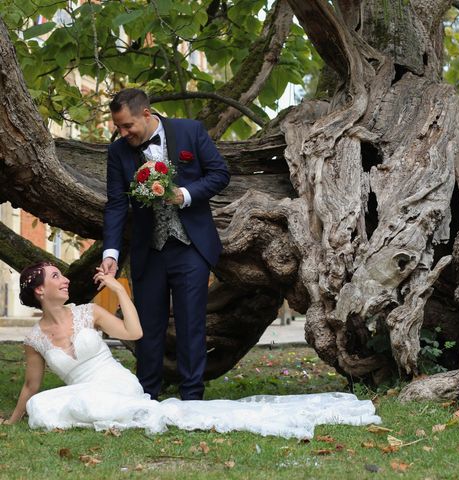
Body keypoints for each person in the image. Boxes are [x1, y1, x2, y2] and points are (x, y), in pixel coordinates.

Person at [2, 262, 381, 437]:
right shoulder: (34, 339)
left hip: (115, 384)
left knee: (68, 406)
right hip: (84, 389)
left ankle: (124, 412)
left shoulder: (89, 312)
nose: (65, 279)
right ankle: (112, 416)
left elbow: (134, 333)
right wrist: (13, 419)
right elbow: (30, 388)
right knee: (41, 405)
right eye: (56, 277)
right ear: (39, 291)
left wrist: (118, 291)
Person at [101, 88, 230, 401]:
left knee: (190, 325)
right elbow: (117, 204)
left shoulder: (190, 131)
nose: (123, 132)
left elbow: (220, 174)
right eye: (118, 127)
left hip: (190, 247)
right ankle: (146, 396)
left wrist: (184, 195)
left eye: (127, 125)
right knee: (148, 327)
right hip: (150, 250)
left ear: (146, 114)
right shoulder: (119, 152)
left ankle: (192, 398)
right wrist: (111, 253)